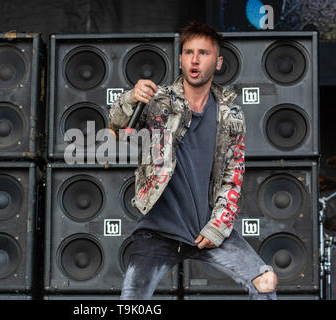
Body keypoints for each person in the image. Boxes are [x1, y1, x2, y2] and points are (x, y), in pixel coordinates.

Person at [109, 21, 277, 300]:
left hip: (207, 228)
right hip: (157, 232)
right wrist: (130, 98)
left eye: (203, 52)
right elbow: (116, 123)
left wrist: (218, 226)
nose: (195, 59)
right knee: (132, 300)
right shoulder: (157, 101)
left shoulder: (231, 115)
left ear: (219, 62)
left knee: (265, 283)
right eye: (188, 52)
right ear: (180, 59)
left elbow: (233, 177)